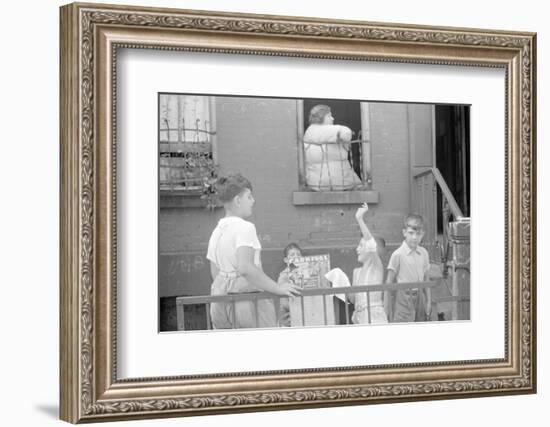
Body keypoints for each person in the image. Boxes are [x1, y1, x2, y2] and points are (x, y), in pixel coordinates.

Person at [206, 173, 301, 329]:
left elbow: (215, 272)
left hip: (219, 305)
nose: (253, 201)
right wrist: (278, 288)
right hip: (247, 303)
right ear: (238, 200)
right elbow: (245, 267)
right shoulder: (245, 227)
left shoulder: (217, 231)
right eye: (249, 197)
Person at [303, 104, 362, 191]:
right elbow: (345, 133)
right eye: (329, 116)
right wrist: (348, 134)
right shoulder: (330, 130)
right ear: (321, 117)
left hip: (315, 183)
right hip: (340, 181)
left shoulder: (308, 132)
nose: (333, 118)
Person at [386, 214, 432, 323]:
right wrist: (386, 306)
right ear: (404, 233)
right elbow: (389, 281)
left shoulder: (424, 253)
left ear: (423, 234)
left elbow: (426, 278)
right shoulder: (397, 254)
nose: (415, 237)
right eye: (411, 233)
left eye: (418, 234)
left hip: (420, 296)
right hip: (404, 297)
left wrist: (429, 301)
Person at [349, 203, 388, 324]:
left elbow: (371, 244)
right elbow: (353, 299)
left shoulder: (376, 268)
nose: (357, 249)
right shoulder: (356, 272)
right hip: (359, 317)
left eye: (361, 246)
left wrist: (359, 219)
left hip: (374, 317)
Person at [276, 243, 303, 327]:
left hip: (303, 312)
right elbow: (283, 302)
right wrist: (298, 307)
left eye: (298, 254)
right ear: (286, 260)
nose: (296, 256)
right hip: (288, 316)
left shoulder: (304, 273)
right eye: (292, 255)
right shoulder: (283, 276)